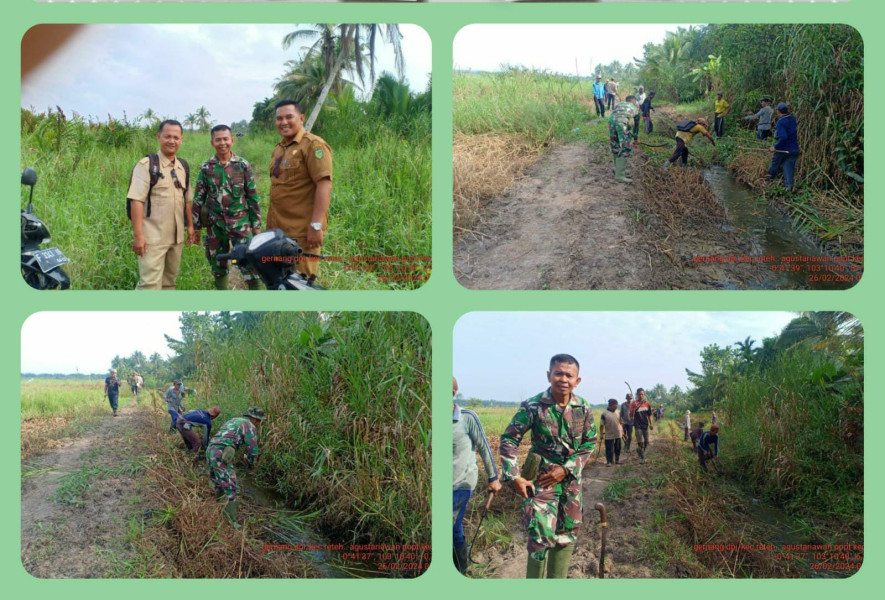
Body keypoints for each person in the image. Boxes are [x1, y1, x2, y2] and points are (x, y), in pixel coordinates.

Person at [499, 354, 597, 579]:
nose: (563, 379)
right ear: (549, 375)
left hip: (571, 483)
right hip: (541, 484)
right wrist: (514, 476)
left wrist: (567, 468)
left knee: (567, 533)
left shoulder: (583, 407)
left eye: (569, 375)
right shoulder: (533, 406)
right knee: (540, 537)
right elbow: (509, 439)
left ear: (577, 380)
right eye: (558, 373)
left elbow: (589, 442)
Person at [267, 100, 333, 282]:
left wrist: (316, 225)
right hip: (279, 231)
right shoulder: (279, 149)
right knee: (280, 281)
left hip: (302, 235)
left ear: (301, 118)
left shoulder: (313, 146)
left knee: (300, 284)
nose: (284, 122)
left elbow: (324, 184)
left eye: (289, 117)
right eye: (279, 118)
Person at [127, 120, 196, 290]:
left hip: (176, 238)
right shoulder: (147, 166)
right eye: (167, 136)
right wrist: (138, 236)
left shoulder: (183, 167)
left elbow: (187, 200)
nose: (171, 141)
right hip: (153, 239)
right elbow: (136, 200)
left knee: (169, 283)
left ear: (181, 140)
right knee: (149, 285)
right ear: (159, 137)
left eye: (175, 137)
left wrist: (191, 228)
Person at [192, 125, 263, 290]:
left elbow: (252, 197)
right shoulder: (206, 168)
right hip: (215, 226)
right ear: (212, 142)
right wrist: (195, 228)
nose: (222, 143)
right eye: (218, 139)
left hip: (241, 225)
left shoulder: (242, 165)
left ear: (232, 140)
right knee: (218, 266)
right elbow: (198, 199)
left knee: (250, 264)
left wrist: (256, 227)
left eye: (225, 139)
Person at [452, 377, 501, 575]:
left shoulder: (467, 418)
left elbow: (484, 447)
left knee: (451, 524)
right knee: (453, 527)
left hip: (462, 483)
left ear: (453, 392)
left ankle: (460, 569)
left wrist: (493, 478)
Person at [206, 407, 264, 524]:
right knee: (231, 488)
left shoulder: (234, 420)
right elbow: (253, 450)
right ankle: (230, 521)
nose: (259, 423)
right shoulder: (249, 425)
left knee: (219, 482)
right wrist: (251, 463)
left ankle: (219, 509)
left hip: (211, 450)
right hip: (221, 453)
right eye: (259, 421)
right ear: (254, 419)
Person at [768, 102, 800, 192]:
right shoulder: (793, 118)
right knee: (788, 166)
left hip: (783, 149)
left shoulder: (780, 122)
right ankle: (789, 186)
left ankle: (768, 179)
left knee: (775, 162)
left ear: (778, 111)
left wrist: (775, 147)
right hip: (794, 149)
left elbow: (783, 137)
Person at [608, 95, 640, 184]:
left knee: (615, 144)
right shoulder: (635, 108)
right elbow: (636, 126)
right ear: (633, 101)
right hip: (621, 122)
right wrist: (635, 138)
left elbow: (615, 114)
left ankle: (617, 169)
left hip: (611, 121)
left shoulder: (619, 104)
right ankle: (620, 175)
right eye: (635, 100)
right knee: (626, 147)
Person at [599, 399, 623, 467]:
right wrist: (601, 434)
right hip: (609, 434)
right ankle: (609, 461)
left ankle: (617, 460)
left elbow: (621, 423)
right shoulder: (604, 414)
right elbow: (601, 425)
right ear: (611, 405)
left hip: (618, 433)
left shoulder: (618, 412)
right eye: (616, 405)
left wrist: (623, 432)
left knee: (618, 448)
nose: (617, 406)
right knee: (609, 448)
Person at [632, 387, 653, 464]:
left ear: (644, 395)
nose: (641, 395)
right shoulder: (634, 403)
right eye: (640, 394)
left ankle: (641, 452)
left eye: (642, 394)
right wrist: (634, 408)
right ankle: (642, 457)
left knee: (646, 442)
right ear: (637, 394)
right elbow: (631, 415)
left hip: (645, 425)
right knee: (640, 442)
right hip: (637, 425)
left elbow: (649, 415)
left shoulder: (647, 403)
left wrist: (651, 424)